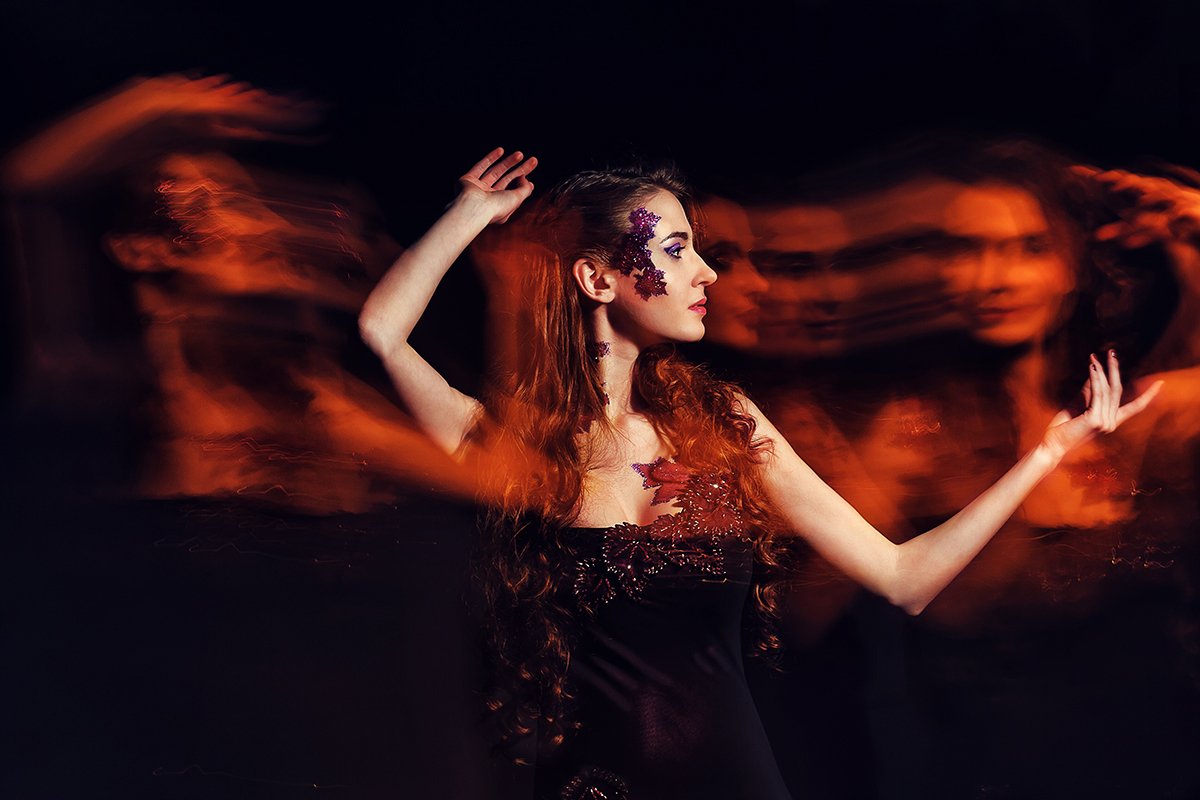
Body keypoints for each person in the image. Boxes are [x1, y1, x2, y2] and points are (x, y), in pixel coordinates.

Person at [357, 147, 1160, 799]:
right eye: (676, 250)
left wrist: (1046, 453)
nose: (707, 273)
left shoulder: (726, 426)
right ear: (597, 279)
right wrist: (469, 213)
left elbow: (904, 577)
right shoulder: (518, 446)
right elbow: (382, 330)